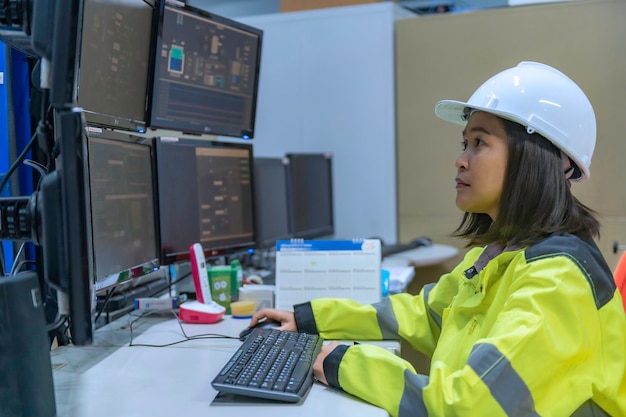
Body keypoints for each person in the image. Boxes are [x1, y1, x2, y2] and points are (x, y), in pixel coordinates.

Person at [251, 62, 626, 416]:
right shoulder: (500, 253)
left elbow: (467, 406)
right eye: (465, 143)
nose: (461, 160)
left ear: (537, 158)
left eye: (479, 143)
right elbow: (426, 316)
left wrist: (342, 362)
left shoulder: (559, 282)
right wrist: (310, 318)